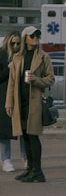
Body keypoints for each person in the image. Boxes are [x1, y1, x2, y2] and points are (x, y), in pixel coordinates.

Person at [5, 26, 55, 182]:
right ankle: (29, 168)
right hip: (21, 102)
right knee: (24, 136)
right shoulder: (17, 58)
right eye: (32, 35)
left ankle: (38, 171)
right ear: (25, 37)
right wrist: (9, 103)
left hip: (35, 103)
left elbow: (51, 79)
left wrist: (36, 80)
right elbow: (12, 83)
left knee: (33, 136)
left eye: (37, 35)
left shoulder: (43, 57)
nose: (35, 38)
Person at [0, 31, 26, 173]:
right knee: (4, 130)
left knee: (23, 128)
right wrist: (8, 69)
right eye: (13, 43)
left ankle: (26, 157)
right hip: (3, 96)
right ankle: (6, 159)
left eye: (18, 43)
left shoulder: (23, 55)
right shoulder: (2, 55)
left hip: (20, 96)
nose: (15, 46)